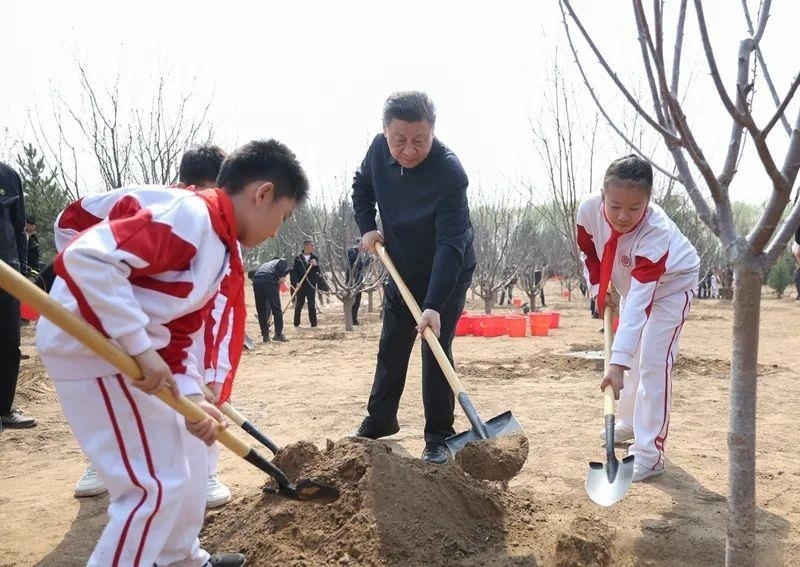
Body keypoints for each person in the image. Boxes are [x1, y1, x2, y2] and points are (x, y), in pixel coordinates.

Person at [36, 139, 308, 567]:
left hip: (122, 354)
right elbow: (86, 259)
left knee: (178, 471)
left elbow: (178, 333)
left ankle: (179, 560)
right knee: (153, 488)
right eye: (283, 216)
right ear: (264, 193)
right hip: (92, 348)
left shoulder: (219, 247)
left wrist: (193, 398)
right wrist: (140, 347)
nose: (277, 231)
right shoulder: (190, 217)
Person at [69, 144, 235, 509]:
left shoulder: (222, 233)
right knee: (114, 393)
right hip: (117, 319)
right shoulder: (164, 208)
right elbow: (72, 229)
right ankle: (104, 463)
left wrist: (211, 376)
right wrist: (94, 297)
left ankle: (202, 472)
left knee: (186, 389)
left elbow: (221, 309)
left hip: (180, 322)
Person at [351, 91, 476, 464]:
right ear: (385, 131)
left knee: (434, 347)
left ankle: (439, 436)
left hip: (446, 272)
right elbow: (361, 187)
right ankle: (380, 419)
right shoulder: (377, 151)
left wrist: (434, 305)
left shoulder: (450, 174)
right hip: (401, 266)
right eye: (399, 140)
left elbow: (451, 245)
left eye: (419, 140)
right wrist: (367, 226)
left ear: (433, 131)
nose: (408, 150)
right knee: (392, 344)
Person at [577, 154, 699, 483]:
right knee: (631, 356)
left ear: (648, 200)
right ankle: (630, 422)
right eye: (615, 206)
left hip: (672, 286)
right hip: (634, 283)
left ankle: (649, 453)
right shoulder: (588, 211)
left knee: (653, 361)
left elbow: (639, 304)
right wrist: (599, 290)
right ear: (602, 194)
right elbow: (589, 252)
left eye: (635, 208)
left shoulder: (655, 232)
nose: (623, 216)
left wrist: (614, 365)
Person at [0, 161, 37, 429]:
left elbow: (18, 227)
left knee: (9, 342)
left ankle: (4, 408)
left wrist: (22, 273)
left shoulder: (9, 176)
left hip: (7, 273)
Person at [251, 257, 290, 342]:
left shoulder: (265, 265)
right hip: (269, 280)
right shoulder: (280, 261)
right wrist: (282, 276)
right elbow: (282, 262)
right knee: (276, 309)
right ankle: (278, 334)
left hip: (256, 281)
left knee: (261, 310)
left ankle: (265, 336)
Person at [291, 239, 321, 328]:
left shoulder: (314, 258)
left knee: (311, 304)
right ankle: (296, 323)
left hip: (311, 284)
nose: (313, 247)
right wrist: (296, 282)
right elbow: (295, 272)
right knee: (299, 303)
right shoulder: (298, 258)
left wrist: (316, 265)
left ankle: (314, 324)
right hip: (301, 284)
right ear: (306, 246)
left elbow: (319, 271)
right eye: (312, 245)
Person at [346, 239, 366, 325]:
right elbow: (353, 263)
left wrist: (370, 260)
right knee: (352, 301)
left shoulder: (361, 254)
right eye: (362, 245)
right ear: (358, 244)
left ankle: (354, 319)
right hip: (352, 281)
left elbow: (362, 265)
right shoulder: (352, 251)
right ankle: (351, 319)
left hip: (358, 281)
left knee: (357, 301)